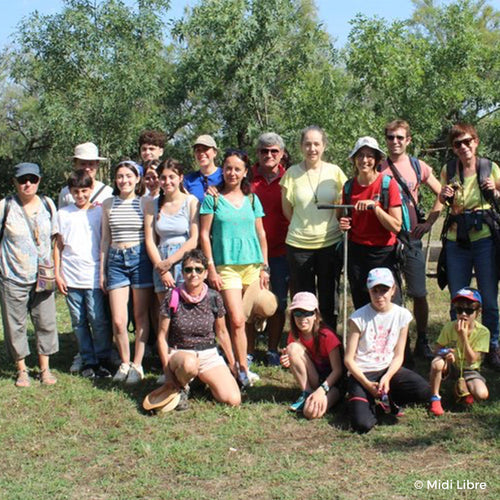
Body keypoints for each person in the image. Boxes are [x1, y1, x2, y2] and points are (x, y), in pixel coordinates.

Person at [199, 149, 269, 387]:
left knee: (252, 317)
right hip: (226, 267)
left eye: (237, 168)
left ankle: (243, 360)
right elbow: (204, 235)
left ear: (245, 172)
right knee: (236, 319)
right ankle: (241, 369)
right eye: (228, 168)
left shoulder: (252, 199)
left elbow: (261, 233)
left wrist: (264, 267)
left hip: (252, 265)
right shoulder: (213, 199)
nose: (232, 173)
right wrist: (211, 267)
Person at [438, 123, 500, 371]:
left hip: (485, 238)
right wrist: (443, 196)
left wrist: (494, 190)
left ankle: (493, 346)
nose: (463, 147)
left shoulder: (490, 167)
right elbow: (442, 202)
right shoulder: (449, 170)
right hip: (457, 239)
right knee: (458, 296)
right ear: (453, 148)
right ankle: (457, 346)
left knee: (488, 296)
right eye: (457, 144)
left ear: (476, 141)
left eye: (467, 141)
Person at [379, 120, 443, 359]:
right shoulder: (378, 166)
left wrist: (429, 223)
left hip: (411, 239)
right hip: (385, 240)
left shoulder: (418, 166)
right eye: (390, 137)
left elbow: (442, 193)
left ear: (408, 140)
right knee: (391, 293)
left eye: (399, 137)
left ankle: (423, 339)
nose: (394, 142)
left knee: (418, 292)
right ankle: (396, 344)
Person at [150, 249, 241, 411]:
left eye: (198, 269)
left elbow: (222, 332)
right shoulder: (172, 297)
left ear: (206, 273)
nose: (193, 274)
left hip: (209, 354)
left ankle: (199, 381)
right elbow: (162, 337)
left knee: (233, 399)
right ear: (183, 273)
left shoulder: (214, 297)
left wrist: (233, 363)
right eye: (188, 269)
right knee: (190, 364)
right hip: (181, 354)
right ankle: (182, 387)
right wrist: (167, 373)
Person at [344, 268, 431, 433]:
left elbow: (398, 355)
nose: (379, 296)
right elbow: (348, 359)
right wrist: (368, 385)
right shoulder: (358, 318)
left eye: (384, 290)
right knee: (362, 425)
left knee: (423, 390)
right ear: (368, 290)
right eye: (374, 290)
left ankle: (391, 398)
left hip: (387, 369)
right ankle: (363, 400)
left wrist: (387, 377)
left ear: (393, 290)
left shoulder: (402, 315)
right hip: (362, 373)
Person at [280, 125, 347, 329]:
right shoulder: (291, 174)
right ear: (301, 147)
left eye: (316, 144)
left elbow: (341, 206)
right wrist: (303, 228)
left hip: (329, 243)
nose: (312, 149)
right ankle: (304, 342)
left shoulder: (334, 172)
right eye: (307, 144)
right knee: (303, 299)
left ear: (324, 146)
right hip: (299, 245)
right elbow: (287, 211)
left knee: (328, 297)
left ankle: (328, 342)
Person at [0, 163, 59, 387]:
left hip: (43, 276)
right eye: (23, 180)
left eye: (32, 180)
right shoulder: (5, 206)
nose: (27, 184)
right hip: (13, 275)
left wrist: (55, 268)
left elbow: (56, 240)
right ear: (14, 182)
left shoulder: (47, 204)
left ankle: (45, 368)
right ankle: (22, 369)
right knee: (15, 324)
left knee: (46, 322)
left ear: (39, 181)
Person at [54, 170, 112, 379]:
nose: (80, 195)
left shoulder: (98, 212)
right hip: (70, 276)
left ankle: (103, 358)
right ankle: (88, 359)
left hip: (93, 275)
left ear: (91, 190)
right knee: (78, 321)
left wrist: (103, 273)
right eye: (76, 191)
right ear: (70, 192)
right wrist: (58, 274)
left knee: (98, 319)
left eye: (84, 191)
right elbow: (58, 246)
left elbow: (105, 241)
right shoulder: (63, 214)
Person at [100, 160, 154, 384]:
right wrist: (102, 271)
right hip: (115, 260)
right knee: (119, 320)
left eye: (129, 176)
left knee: (140, 316)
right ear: (115, 179)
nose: (124, 180)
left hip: (139, 258)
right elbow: (105, 239)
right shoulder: (108, 204)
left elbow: (151, 236)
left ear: (137, 178)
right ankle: (124, 362)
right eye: (120, 176)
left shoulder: (145, 203)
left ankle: (137, 364)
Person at [338, 137, 403, 310]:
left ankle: (394, 336)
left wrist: (375, 208)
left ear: (377, 160)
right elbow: (343, 216)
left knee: (388, 302)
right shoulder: (348, 187)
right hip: (357, 252)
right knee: (362, 301)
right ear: (354, 159)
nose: (364, 160)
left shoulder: (388, 184)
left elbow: (396, 226)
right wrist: (343, 223)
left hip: (384, 252)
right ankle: (364, 336)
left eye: (369, 156)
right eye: (360, 155)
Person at [249, 132, 290, 366]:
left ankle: (273, 348)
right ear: (258, 153)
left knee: (279, 302)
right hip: (250, 253)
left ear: (282, 154)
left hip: (282, 251)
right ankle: (250, 350)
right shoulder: (247, 178)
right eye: (264, 151)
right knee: (250, 303)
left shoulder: (289, 179)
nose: (269, 155)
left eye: (274, 151)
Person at [280, 292, 343, 419]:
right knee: (292, 348)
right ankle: (306, 392)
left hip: (333, 384)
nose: (302, 318)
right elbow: (295, 358)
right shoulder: (294, 335)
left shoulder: (327, 336)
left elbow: (338, 371)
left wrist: (322, 390)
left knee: (310, 413)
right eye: (298, 313)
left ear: (316, 315)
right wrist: (288, 360)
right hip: (315, 378)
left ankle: (330, 399)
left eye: (308, 313)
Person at [144, 159, 199, 304]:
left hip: (184, 260)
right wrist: (162, 269)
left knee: (185, 312)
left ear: (180, 178)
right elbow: (150, 240)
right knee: (166, 312)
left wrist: (170, 262)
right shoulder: (152, 205)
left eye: (171, 177)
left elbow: (194, 239)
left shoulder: (191, 202)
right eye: (163, 177)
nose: (167, 181)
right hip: (160, 260)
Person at [429, 287, 489, 416]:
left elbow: (472, 359)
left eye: (469, 311)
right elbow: (437, 349)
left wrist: (463, 337)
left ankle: (461, 388)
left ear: (478, 312)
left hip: (470, 369)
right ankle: (435, 398)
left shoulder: (483, 332)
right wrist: (445, 353)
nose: (463, 314)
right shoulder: (449, 327)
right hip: (451, 365)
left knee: (482, 394)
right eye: (459, 310)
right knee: (437, 363)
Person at [58, 142, 113, 209]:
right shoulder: (66, 193)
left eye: (91, 164)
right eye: (83, 164)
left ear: (97, 164)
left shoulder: (108, 192)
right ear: (75, 164)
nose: (87, 168)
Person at [184, 135, 223, 202]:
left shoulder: (225, 176)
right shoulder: (188, 180)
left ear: (215, 153)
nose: (201, 153)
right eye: (198, 150)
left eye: (205, 149)